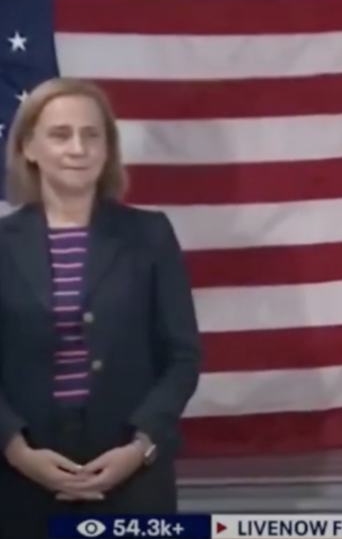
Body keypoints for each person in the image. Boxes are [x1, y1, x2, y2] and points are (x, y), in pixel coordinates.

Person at [0, 79, 202, 538]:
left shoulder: (149, 235)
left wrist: (141, 446)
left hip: (132, 471)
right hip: (20, 475)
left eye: (92, 135)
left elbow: (182, 357)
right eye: (60, 134)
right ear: (29, 146)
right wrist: (14, 448)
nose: (78, 148)